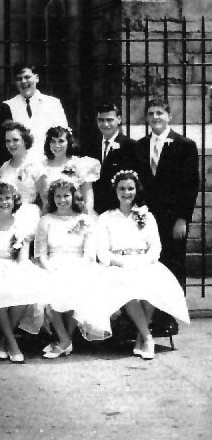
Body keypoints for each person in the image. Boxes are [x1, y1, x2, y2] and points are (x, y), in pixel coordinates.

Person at [96, 170, 190, 359]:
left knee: (153, 284)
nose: (126, 192)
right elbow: (102, 251)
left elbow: (155, 246)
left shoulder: (145, 215)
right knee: (125, 288)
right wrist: (121, 263)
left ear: (136, 190)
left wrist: (144, 261)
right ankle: (147, 337)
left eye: (130, 188)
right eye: (122, 188)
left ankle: (141, 336)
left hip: (143, 261)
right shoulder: (106, 218)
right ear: (115, 191)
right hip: (117, 264)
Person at [35, 179, 112, 359]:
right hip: (52, 265)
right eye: (58, 196)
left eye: (66, 195)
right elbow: (40, 254)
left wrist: (76, 269)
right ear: (52, 198)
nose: (62, 200)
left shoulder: (84, 220)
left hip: (80, 264)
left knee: (78, 286)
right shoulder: (45, 221)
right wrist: (51, 268)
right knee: (49, 288)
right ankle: (64, 339)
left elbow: (89, 254)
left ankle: (64, 340)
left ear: (73, 196)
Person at [0, 182, 48, 363]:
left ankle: (3, 340)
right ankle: (13, 344)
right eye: (0, 199)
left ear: (14, 201)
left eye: (7, 198)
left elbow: (22, 260)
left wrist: (14, 273)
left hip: (13, 267)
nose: (4, 202)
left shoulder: (20, 225)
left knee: (24, 290)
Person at [134, 98, 199, 288]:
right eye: (151, 114)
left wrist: (182, 218)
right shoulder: (140, 146)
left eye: (159, 113)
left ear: (169, 116)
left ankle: (174, 306)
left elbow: (190, 185)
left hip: (173, 218)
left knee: (174, 264)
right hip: (147, 216)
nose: (155, 117)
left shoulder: (185, 145)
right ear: (146, 118)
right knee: (150, 265)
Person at [1, 64, 68, 158]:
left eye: (27, 77)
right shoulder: (8, 106)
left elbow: (63, 135)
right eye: (19, 79)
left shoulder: (53, 103)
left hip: (49, 161)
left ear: (37, 78)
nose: (23, 81)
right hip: (20, 163)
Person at [86, 102, 137, 214]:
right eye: (101, 120)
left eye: (109, 120)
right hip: (94, 209)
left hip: (119, 209)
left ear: (119, 119)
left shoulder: (131, 146)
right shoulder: (90, 146)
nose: (105, 124)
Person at [37, 126, 100, 214]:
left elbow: (88, 197)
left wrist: (87, 216)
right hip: (50, 215)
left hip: (76, 215)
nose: (57, 145)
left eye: (61, 141)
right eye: (53, 141)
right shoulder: (40, 167)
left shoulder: (80, 165)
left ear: (69, 143)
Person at [0, 122, 42, 237]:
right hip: (4, 214)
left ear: (25, 140)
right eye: (7, 141)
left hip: (27, 215)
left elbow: (45, 199)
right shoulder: (5, 167)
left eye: (15, 140)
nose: (11, 144)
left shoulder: (35, 165)